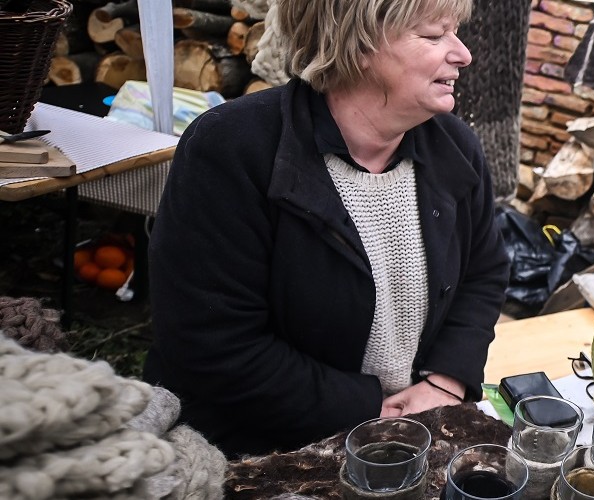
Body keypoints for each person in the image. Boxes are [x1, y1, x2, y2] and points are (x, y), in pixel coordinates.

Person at [145, 0, 508, 455]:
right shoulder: (232, 148)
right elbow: (212, 342)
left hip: (408, 429)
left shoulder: (454, 145)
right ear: (358, 43)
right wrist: (370, 410)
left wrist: (446, 381)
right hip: (255, 447)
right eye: (434, 36)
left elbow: (484, 271)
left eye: (454, 32)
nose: (463, 54)